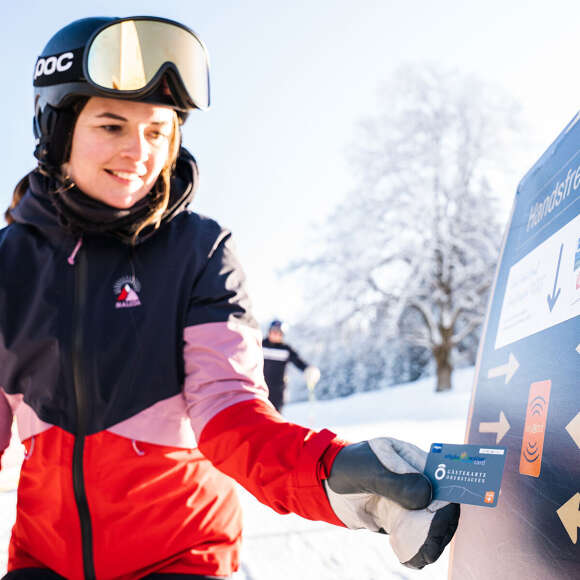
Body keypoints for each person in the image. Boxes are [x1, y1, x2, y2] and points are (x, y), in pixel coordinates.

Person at [0, 16, 459, 580]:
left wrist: (332, 470)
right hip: (43, 562)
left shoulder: (199, 253)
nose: (138, 151)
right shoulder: (11, 264)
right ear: (55, 130)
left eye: (157, 131)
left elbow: (232, 416)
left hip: (180, 557)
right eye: (112, 125)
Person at [262, 319, 320, 411]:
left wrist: (308, 369)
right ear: (269, 331)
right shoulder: (260, 346)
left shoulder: (286, 349)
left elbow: (298, 362)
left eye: (279, 332)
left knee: (275, 415)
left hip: (278, 390)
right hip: (261, 387)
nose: (276, 334)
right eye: (274, 331)